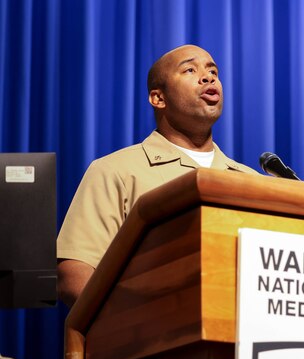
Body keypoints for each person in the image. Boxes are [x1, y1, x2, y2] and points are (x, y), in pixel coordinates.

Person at [57, 44, 258, 307]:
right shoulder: (115, 170)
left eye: (213, 71)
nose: (208, 77)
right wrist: (134, 322)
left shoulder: (253, 182)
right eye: (189, 69)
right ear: (158, 98)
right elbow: (73, 273)